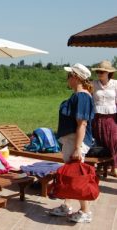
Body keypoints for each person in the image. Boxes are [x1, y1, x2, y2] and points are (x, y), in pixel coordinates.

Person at [48, 63, 95, 223]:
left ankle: (85, 211)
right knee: (70, 174)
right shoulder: (79, 95)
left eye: (69, 76)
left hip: (76, 141)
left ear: (76, 77)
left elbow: (82, 123)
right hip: (72, 141)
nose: (67, 79)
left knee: (77, 176)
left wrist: (77, 148)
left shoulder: (81, 96)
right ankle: (67, 205)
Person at [91, 60, 117, 177]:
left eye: (103, 71)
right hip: (97, 117)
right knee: (100, 140)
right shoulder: (93, 84)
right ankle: (102, 166)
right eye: (99, 71)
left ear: (109, 73)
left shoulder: (115, 84)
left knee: (113, 140)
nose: (100, 73)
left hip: (111, 117)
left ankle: (114, 166)